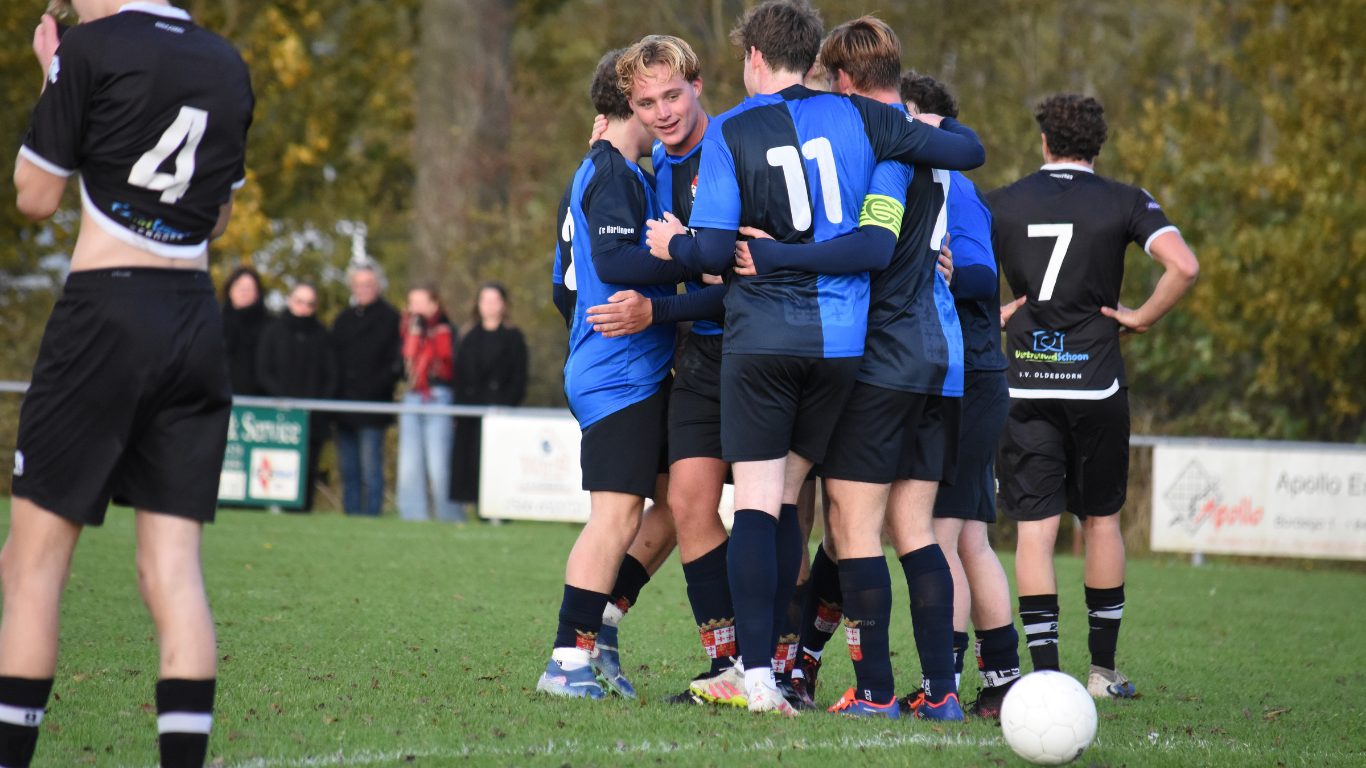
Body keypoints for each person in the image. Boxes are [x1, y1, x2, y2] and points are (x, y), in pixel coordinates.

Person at [645, 0, 985, 715]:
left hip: (764, 339)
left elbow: (711, 253)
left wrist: (672, 245)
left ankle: (760, 675)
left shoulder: (732, 127)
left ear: (753, 60)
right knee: (813, 505)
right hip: (841, 348)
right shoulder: (863, 119)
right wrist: (913, 123)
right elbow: (964, 153)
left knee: (765, 509)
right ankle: (872, 680)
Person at [5, 0, 253, 765]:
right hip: (192, 317)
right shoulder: (226, 61)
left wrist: (56, 77)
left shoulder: (86, 48)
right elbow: (212, 219)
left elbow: (35, 196)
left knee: (32, 562)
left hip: (106, 308)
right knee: (171, 569)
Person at [989, 94, 1198, 699]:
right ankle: (1103, 673)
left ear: (1045, 143)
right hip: (1096, 381)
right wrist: (1142, 318)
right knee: (1102, 519)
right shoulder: (1126, 200)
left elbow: (945, 263)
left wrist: (992, 312)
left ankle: (1048, 678)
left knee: (1034, 528)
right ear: (1096, 147)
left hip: (1024, 379)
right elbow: (1183, 266)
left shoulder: (1000, 201)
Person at [579, 35, 741, 706]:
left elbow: (744, 278)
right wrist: (662, 311)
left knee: (787, 513)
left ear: (698, 85)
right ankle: (725, 662)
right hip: (695, 359)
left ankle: (793, 662)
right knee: (688, 503)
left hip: (764, 354)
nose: (662, 112)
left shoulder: (735, 149)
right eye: (647, 103)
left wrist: (661, 307)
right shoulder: (652, 175)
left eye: (671, 95)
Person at [537, 48, 700, 701]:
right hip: (620, 374)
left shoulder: (614, 167)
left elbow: (562, 287)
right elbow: (616, 260)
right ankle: (565, 662)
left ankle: (600, 627)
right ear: (627, 103)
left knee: (677, 503)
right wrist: (696, 258)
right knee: (615, 517)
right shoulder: (609, 170)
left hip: (630, 367)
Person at [900, 72, 1023, 718]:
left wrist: (949, 271)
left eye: (905, 113)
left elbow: (978, 269)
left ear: (934, 124)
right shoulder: (924, 183)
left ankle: (939, 681)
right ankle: (1002, 682)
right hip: (971, 376)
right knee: (971, 537)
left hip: (971, 378)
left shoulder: (957, 187)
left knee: (940, 535)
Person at [255, 281, 339, 512]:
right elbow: (263, 371)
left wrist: (318, 406)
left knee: (308, 470)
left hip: (312, 420)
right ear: (291, 301)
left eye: (310, 303)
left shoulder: (322, 336)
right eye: (300, 301)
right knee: (275, 467)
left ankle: (304, 512)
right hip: (278, 418)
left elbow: (331, 376)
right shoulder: (273, 331)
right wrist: (283, 400)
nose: (304, 307)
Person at [330, 260, 403, 517]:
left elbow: (396, 364)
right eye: (358, 284)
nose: (363, 289)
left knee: (371, 468)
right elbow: (333, 361)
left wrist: (375, 388)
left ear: (378, 286)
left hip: (373, 406)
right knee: (348, 469)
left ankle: (372, 514)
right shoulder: (343, 320)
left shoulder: (391, 318)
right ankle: (351, 514)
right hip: (343, 407)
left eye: (369, 284)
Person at [449, 281, 528, 516]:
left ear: (504, 305)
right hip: (470, 414)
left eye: (495, 300)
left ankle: (497, 512)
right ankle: (474, 509)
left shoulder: (514, 338)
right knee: (471, 465)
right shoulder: (467, 337)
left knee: (497, 466)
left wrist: (507, 407)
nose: (490, 306)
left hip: (500, 414)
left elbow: (519, 378)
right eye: (485, 300)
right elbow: (460, 378)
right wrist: (458, 412)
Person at [397, 284, 463, 522]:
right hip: (412, 395)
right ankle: (413, 518)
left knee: (440, 464)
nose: (413, 308)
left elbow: (453, 368)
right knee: (409, 465)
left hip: (439, 396)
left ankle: (450, 517)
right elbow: (400, 365)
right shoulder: (405, 332)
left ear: (433, 304)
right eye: (411, 302)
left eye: (419, 302)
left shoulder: (447, 330)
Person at [220, 266, 268, 396]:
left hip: (258, 403)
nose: (243, 292)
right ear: (229, 289)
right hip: (220, 398)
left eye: (249, 289)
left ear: (257, 293)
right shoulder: (214, 323)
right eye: (239, 287)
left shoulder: (269, 327)